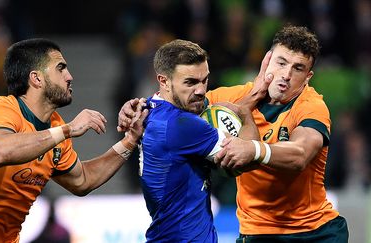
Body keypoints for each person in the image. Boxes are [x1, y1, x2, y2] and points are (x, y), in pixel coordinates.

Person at [119, 25, 349, 243]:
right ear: (267, 60)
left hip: (313, 231)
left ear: (308, 76)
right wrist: (140, 107)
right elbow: (178, 102)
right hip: (257, 232)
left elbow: (300, 154)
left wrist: (253, 149)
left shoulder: (311, 106)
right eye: (281, 62)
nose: (286, 74)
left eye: (298, 68)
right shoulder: (235, 96)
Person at [0, 38, 147, 242]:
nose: (70, 76)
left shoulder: (56, 127)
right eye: (61, 68)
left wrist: (130, 140)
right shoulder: (4, 109)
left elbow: (83, 180)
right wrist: (67, 130)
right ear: (36, 78)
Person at [130, 39, 270, 242]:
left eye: (204, 80)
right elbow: (246, 159)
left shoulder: (151, 108)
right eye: (190, 82)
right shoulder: (181, 125)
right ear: (163, 81)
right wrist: (246, 115)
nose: (201, 90)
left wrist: (254, 94)